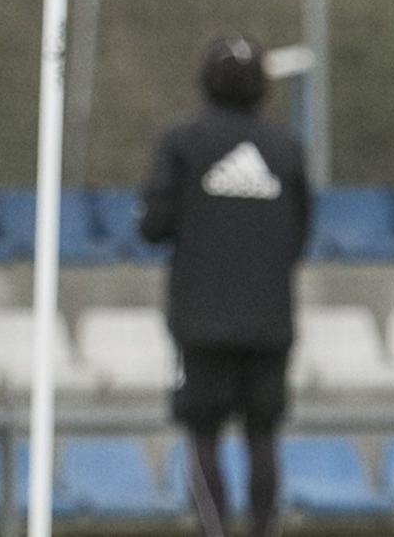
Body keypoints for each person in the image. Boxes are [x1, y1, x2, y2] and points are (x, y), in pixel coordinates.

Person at [139, 36, 311, 537]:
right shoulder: (288, 148)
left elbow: (152, 225)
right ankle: (262, 530)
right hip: (269, 321)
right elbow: (301, 233)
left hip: (200, 322)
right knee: (263, 434)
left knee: (202, 436)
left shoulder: (182, 142)